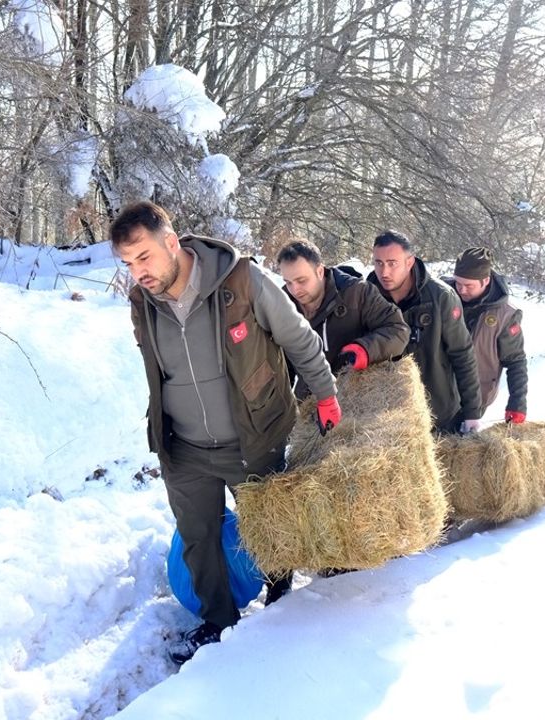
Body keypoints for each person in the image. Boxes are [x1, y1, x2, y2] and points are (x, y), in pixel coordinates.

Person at [111, 201, 341, 664]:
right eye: (128, 263)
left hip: (252, 436)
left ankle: (281, 597)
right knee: (198, 536)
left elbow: (298, 338)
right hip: (185, 446)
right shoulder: (143, 302)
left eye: (144, 257)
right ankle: (218, 623)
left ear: (171, 243)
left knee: (269, 526)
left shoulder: (240, 281)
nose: (138, 273)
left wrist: (325, 393)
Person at [367, 230, 482, 434]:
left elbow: (462, 353)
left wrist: (472, 411)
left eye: (392, 263)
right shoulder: (367, 295)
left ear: (409, 262)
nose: (384, 272)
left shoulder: (441, 297)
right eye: (378, 263)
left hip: (439, 413)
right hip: (387, 416)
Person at [275, 239, 409, 393]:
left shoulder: (358, 293)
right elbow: (282, 365)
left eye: (301, 280)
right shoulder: (282, 304)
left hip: (356, 395)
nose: (295, 289)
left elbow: (398, 329)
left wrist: (365, 350)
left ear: (319, 271)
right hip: (311, 400)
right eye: (288, 282)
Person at [448, 247, 528, 423]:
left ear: (485, 280)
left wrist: (517, 404)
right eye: (457, 283)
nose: (461, 290)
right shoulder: (443, 297)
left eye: (469, 285)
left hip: (475, 399)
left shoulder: (506, 315)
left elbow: (516, 361)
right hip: (438, 393)